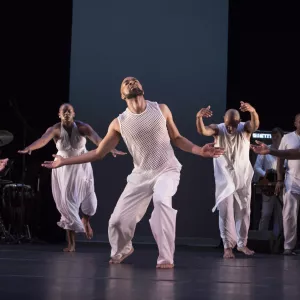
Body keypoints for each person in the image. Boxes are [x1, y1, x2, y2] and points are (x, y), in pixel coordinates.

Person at [41, 76, 224, 269]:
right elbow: (98, 153)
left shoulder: (161, 109)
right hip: (141, 175)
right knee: (117, 221)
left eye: (134, 80)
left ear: (142, 88)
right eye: (126, 82)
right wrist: (64, 161)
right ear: (122, 94)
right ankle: (123, 249)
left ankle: (166, 258)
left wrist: (199, 150)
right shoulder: (119, 123)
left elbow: (177, 138)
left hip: (167, 169)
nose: (131, 82)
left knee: (162, 200)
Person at [19, 103, 126, 252]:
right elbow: (43, 140)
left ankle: (86, 220)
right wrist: (30, 147)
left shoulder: (83, 127)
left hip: (81, 165)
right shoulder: (55, 129)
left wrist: (110, 148)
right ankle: (71, 244)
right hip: (63, 168)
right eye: (64, 111)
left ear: (74, 114)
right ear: (59, 114)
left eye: (69, 111)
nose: (67, 113)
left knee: (90, 200)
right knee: (68, 203)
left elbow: (98, 140)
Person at [196, 102, 259, 258]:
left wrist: (253, 111)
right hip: (225, 178)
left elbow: (255, 125)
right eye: (228, 125)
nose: (230, 128)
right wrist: (199, 117)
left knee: (244, 211)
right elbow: (203, 131)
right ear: (224, 120)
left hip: (243, 176)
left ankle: (242, 244)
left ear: (238, 122)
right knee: (225, 212)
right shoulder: (218, 129)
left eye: (233, 125)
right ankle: (227, 247)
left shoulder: (244, 128)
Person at [251, 113, 300, 255]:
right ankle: (288, 246)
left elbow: (295, 153)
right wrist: (279, 180)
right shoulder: (288, 138)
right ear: (295, 123)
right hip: (292, 181)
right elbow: (280, 159)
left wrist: (272, 150)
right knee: (288, 214)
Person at [254, 127, 284, 234]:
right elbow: (257, 167)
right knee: (266, 214)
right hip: (268, 187)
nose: (275, 139)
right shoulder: (265, 150)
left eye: (277, 136)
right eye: (273, 136)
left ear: (282, 137)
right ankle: (261, 239)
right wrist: (266, 175)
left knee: (280, 216)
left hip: (281, 187)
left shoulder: (285, 152)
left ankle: (277, 243)